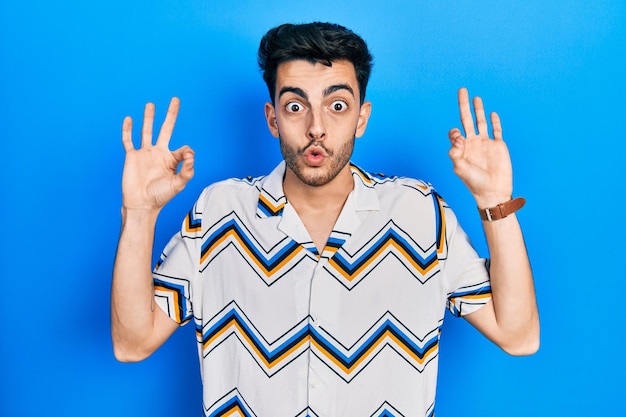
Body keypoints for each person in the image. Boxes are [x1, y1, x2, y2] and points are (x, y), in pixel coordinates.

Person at [112, 22, 539, 417]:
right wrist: (139, 213)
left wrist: (494, 201)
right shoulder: (219, 211)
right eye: (296, 106)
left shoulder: (420, 211)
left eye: (337, 104)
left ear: (362, 117)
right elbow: (132, 343)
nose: (317, 127)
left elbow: (518, 335)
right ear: (272, 118)